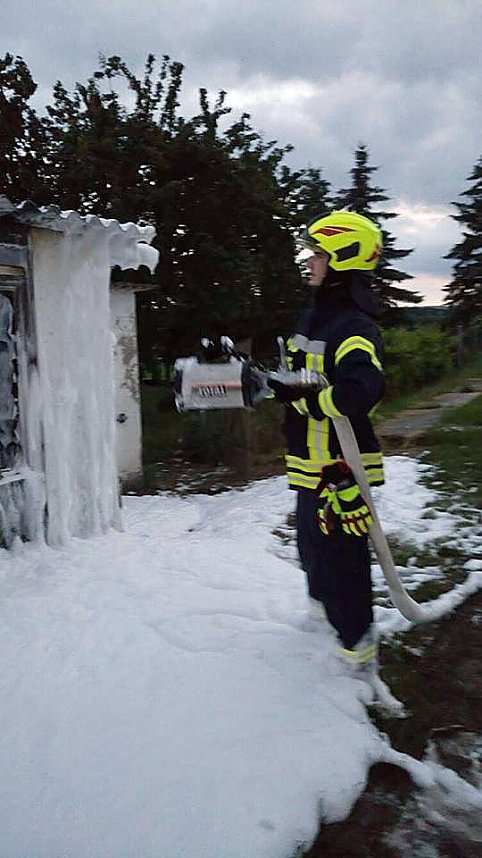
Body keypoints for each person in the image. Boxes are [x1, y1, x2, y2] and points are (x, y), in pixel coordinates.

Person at [268, 211, 385, 671]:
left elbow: (362, 388)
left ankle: (357, 648)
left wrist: (311, 404)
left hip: (340, 468)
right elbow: (301, 374)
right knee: (312, 548)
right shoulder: (314, 317)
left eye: (317, 254)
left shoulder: (353, 325)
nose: (309, 262)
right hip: (308, 464)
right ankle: (323, 615)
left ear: (342, 258)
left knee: (343, 560)